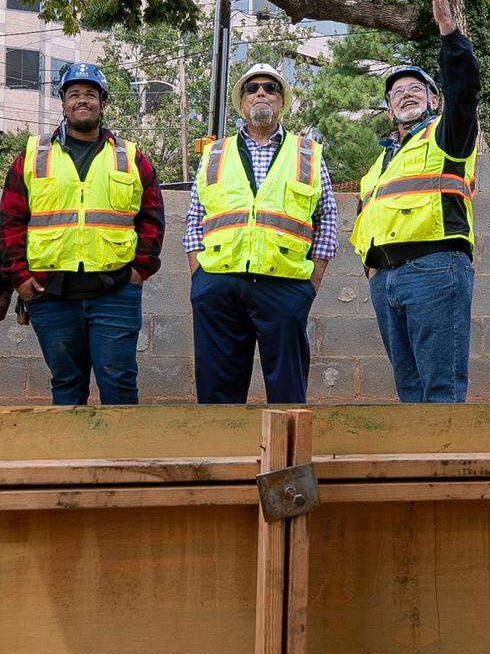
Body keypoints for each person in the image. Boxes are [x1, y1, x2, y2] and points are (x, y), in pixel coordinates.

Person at [0, 62, 165, 404]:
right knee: (67, 387)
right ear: (63, 102)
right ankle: (74, 458)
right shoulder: (32, 156)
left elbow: (151, 217)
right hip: (51, 294)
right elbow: (10, 222)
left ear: (103, 102)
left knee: (119, 385)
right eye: (74, 93)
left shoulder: (130, 157)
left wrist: (139, 270)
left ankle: (119, 458)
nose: (82, 100)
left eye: (90, 94)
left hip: (115, 292)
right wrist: (20, 280)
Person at [351, 0, 480, 402]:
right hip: (386, 279)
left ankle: (442, 470)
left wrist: (449, 33)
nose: (405, 94)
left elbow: (464, 93)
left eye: (415, 89)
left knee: (440, 389)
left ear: (433, 99)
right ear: (389, 110)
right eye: (396, 93)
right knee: (409, 392)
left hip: (435, 269)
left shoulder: (447, 135)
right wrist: (370, 269)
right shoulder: (379, 164)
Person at [184, 64, 337, 404]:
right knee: (217, 388)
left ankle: (287, 459)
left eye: (271, 87)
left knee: (288, 392)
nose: (261, 93)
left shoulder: (308, 153)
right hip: (219, 284)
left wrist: (311, 284)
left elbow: (327, 217)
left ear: (282, 102)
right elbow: (195, 214)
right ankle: (224, 454)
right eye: (252, 88)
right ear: (242, 104)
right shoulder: (215, 153)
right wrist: (200, 278)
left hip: (284, 285)